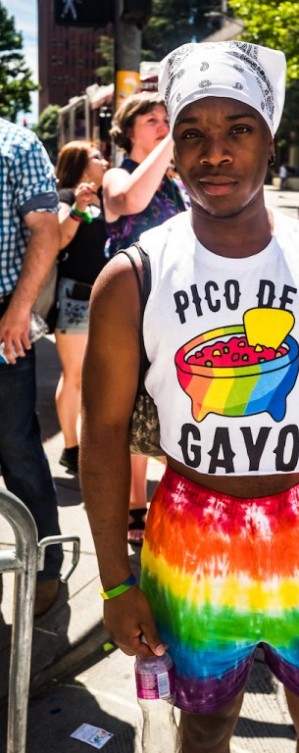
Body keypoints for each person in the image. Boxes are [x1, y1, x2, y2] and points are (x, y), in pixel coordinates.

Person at [81, 41, 299, 753]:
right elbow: (104, 430)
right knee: (205, 724)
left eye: (238, 128)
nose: (215, 153)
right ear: (171, 150)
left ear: (271, 139)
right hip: (188, 531)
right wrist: (116, 584)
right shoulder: (130, 278)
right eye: (193, 134)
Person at [103, 92, 186, 545]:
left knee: (169, 407)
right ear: (128, 130)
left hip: (171, 313)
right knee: (131, 411)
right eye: (151, 119)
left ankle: (165, 502)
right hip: (130, 313)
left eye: (167, 118)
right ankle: (136, 504)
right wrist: (174, 136)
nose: (161, 124)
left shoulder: (174, 182)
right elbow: (131, 201)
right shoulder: (119, 174)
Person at [0, 118, 63, 616]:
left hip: (3, 315)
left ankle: (45, 568)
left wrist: (20, 310)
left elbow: (45, 230)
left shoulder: (16, 143)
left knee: (18, 450)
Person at [54, 141, 109, 474]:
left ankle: (95, 443)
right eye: (96, 157)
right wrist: (77, 206)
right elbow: (59, 239)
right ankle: (70, 448)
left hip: (109, 299)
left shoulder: (108, 199)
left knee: (101, 378)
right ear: (79, 164)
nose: (104, 161)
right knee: (74, 376)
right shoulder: (65, 196)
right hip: (76, 298)